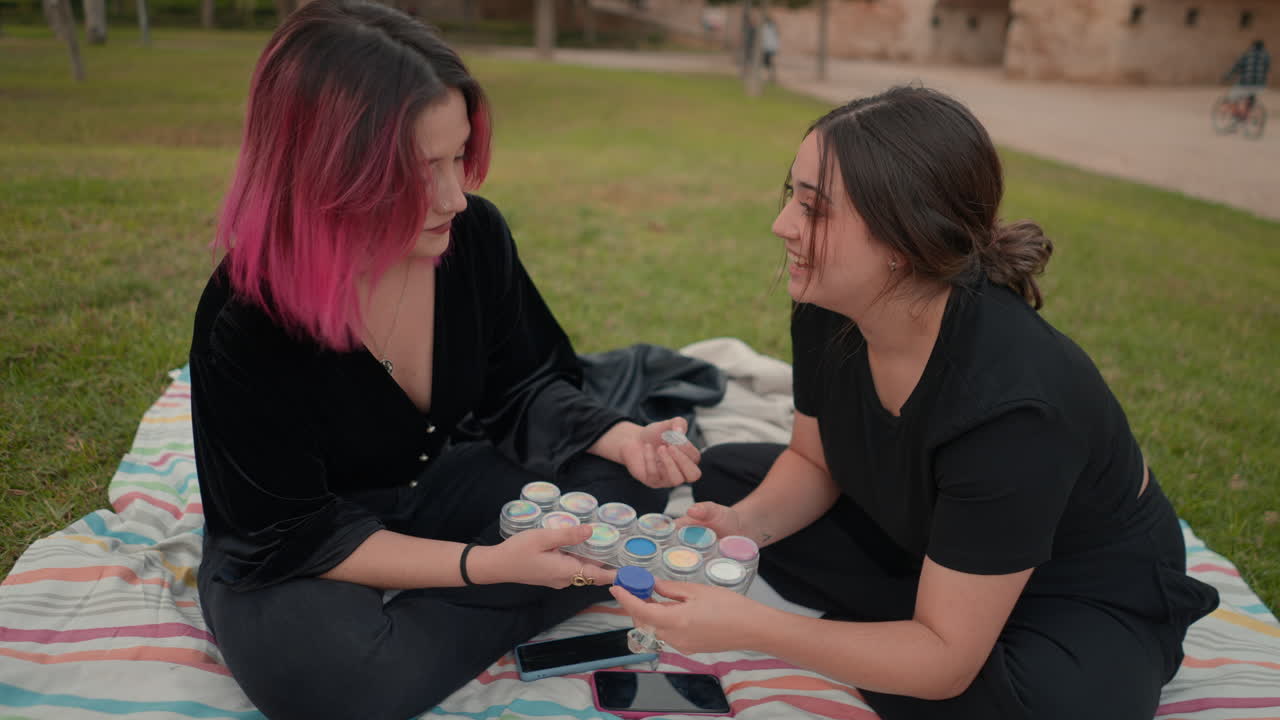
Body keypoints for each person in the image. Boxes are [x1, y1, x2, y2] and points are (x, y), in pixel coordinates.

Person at [611, 86, 1220, 720]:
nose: (782, 223)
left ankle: (910, 629)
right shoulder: (830, 304)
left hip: (1071, 591)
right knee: (729, 476)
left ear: (904, 238)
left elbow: (944, 666)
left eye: (813, 209)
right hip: (928, 535)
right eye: (791, 194)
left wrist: (755, 628)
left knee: (1041, 703)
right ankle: (909, 621)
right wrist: (742, 529)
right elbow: (815, 461)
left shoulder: (1015, 406)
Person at [188, 2, 701, 718]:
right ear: (330, 172)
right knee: (332, 684)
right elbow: (286, 528)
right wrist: (484, 566)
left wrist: (623, 438)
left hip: (438, 486)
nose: (456, 195)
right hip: (305, 541)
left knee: (623, 491)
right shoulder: (247, 317)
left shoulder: (474, 237)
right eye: (423, 169)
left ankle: (431, 630)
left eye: (459, 156)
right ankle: (496, 601)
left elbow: (522, 385)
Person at [1223, 39, 1270, 120]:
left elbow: (1236, 67)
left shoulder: (1247, 55)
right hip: (1260, 85)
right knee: (1251, 97)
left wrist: (1227, 76)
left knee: (1231, 97)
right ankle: (1247, 113)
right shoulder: (1266, 56)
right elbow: (1266, 69)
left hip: (1245, 84)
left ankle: (1237, 115)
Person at [761, 15, 779, 83]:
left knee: (767, 63)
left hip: (767, 47)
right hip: (771, 47)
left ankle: (769, 76)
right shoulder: (773, 27)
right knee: (770, 62)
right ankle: (771, 76)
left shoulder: (764, 27)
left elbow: (764, 38)